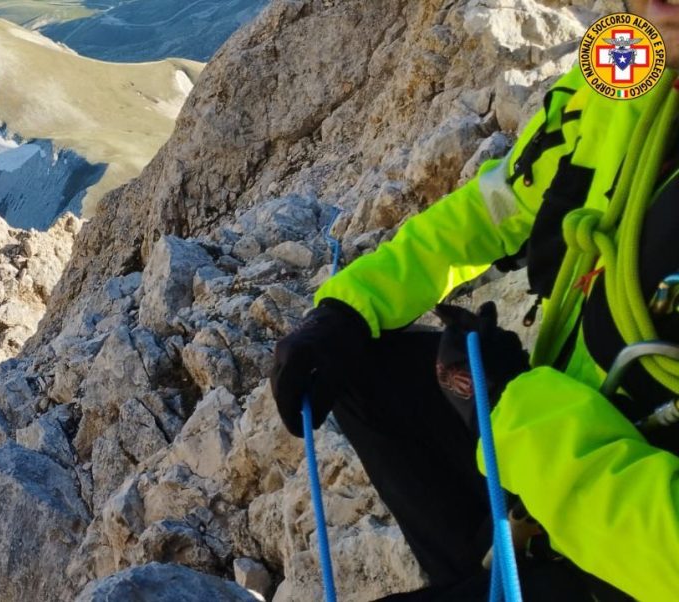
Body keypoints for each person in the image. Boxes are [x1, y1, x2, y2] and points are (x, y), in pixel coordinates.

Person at [271, 2, 679, 599]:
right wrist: (352, 307)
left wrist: (512, 410)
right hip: (560, 443)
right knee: (357, 368)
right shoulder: (633, 62)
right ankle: (486, 569)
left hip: (622, 562)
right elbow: (505, 204)